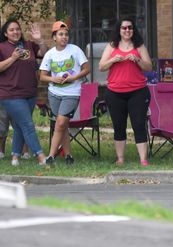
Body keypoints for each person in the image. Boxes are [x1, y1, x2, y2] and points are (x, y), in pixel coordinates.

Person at [99, 18, 152, 166]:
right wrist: (113, 60)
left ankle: (143, 159)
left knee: (139, 124)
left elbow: (149, 67)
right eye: (124, 28)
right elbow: (101, 67)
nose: (127, 30)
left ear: (133, 30)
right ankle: (120, 159)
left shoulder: (139, 46)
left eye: (130, 27)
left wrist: (137, 60)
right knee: (119, 125)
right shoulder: (111, 46)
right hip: (115, 92)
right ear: (119, 30)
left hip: (138, 92)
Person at [39, 21, 90, 165]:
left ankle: (50, 156)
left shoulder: (75, 50)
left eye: (66, 34)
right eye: (60, 34)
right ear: (54, 37)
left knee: (60, 123)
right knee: (63, 125)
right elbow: (42, 76)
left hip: (72, 92)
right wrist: (53, 78)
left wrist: (74, 77)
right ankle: (68, 156)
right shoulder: (50, 54)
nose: (64, 37)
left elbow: (86, 69)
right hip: (54, 93)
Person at [0, 19, 48, 166]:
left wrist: (40, 40)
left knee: (20, 125)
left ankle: (15, 156)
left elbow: (45, 54)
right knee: (27, 124)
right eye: (12, 30)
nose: (16, 32)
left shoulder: (28, 45)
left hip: (30, 93)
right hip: (10, 93)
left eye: (18, 29)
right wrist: (13, 58)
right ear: (5, 34)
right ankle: (41, 157)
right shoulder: (2, 47)